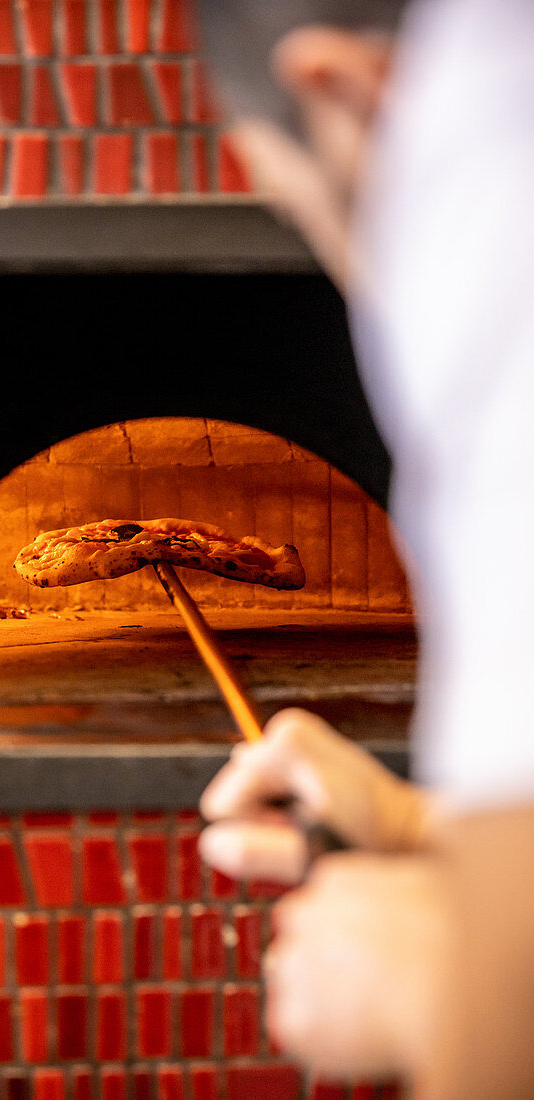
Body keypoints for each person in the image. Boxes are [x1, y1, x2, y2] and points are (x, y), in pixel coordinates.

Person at [196, 2, 534, 1096]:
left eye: (307, 216)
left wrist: (432, 978)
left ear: (339, 92)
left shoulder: (493, 212)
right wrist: (419, 823)